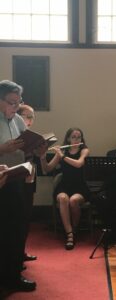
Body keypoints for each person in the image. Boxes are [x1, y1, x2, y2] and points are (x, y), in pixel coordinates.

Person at [0, 80, 36, 292]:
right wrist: (1, 149)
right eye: (11, 103)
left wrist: (38, 150)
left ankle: (13, 276)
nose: (15, 107)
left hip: (15, 179)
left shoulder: (18, 121)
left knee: (16, 230)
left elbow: (27, 144)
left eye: (18, 102)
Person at [40, 127, 90, 250]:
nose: (76, 139)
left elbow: (79, 164)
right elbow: (47, 169)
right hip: (64, 185)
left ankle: (74, 228)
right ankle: (69, 234)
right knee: (63, 198)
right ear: (68, 138)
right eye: (73, 137)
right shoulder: (62, 152)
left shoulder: (84, 150)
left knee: (73, 201)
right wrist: (42, 157)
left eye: (79, 137)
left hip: (80, 187)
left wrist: (62, 156)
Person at [18, 104, 37, 263]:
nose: (31, 120)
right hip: (17, 180)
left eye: (32, 117)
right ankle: (15, 255)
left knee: (26, 218)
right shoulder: (14, 133)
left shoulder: (28, 135)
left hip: (29, 178)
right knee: (17, 219)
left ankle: (21, 251)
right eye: (28, 116)